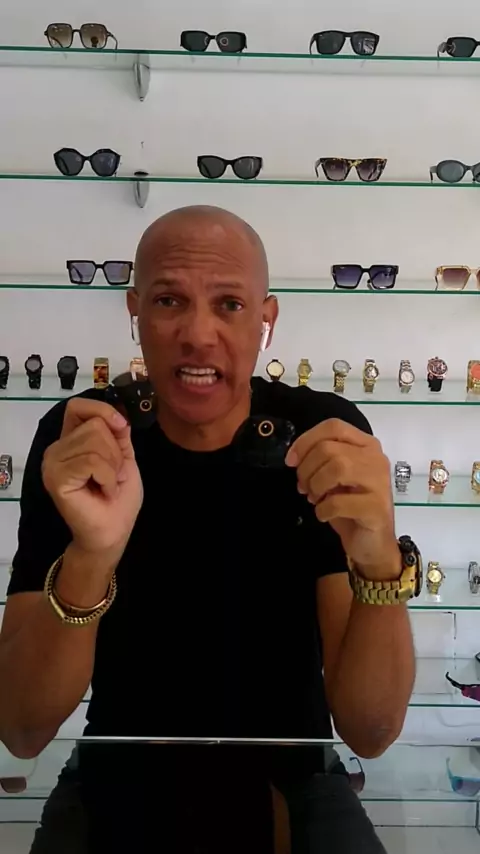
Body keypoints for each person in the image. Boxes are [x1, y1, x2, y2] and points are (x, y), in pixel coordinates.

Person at [0, 205, 415, 853]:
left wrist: (378, 560)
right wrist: (92, 554)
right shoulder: (85, 436)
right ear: (135, 312)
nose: (197, 334)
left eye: (229, 305)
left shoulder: (320, 438)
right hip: (116, 772)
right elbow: (22, 729)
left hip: (296, 776)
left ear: (265, 320)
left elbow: (371, 731)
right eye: (169, 300)